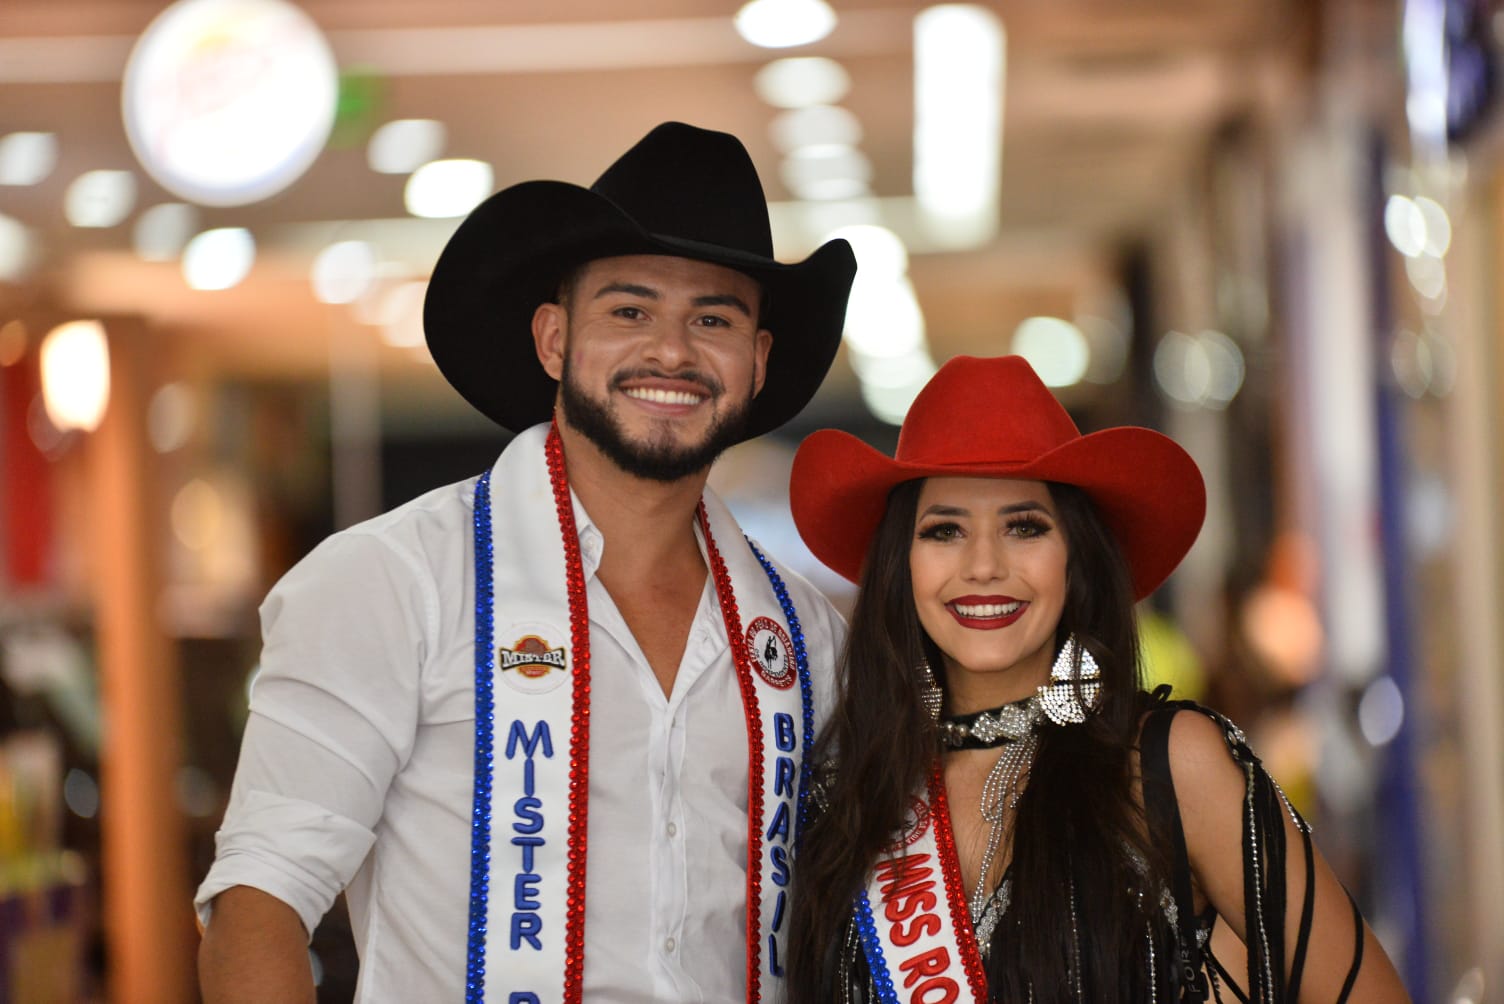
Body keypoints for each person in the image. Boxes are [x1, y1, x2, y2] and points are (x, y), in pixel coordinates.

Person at [194, 122, 856, 1003]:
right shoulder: (395, 581)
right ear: (553, 339)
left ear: (758, 362)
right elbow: (259, 903)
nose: (672, 351)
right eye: (630, 311)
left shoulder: (805, 635)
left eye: (714, 319)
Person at [785, 355, 1409, 1002]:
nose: (983, 566)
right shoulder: (848, 792)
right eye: (944, 531)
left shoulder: (1164, 764)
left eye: (1024, 527)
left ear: (1076, 557)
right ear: (901, 565)